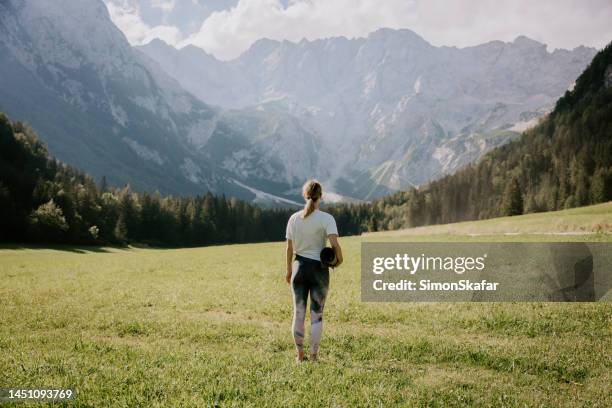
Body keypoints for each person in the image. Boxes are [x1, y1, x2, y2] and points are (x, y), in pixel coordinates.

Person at [285, 180, 343, 362]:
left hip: (298, 269)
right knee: (316, 315)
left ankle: (299, 356)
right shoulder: (326, 219)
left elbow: (289, 248)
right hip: (319, 270)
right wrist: (339, 260)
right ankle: (314, 356)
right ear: (321, 196)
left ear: (305, 195)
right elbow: (334, 245)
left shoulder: (293, 219)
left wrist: (288, 271)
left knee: (298, 313)